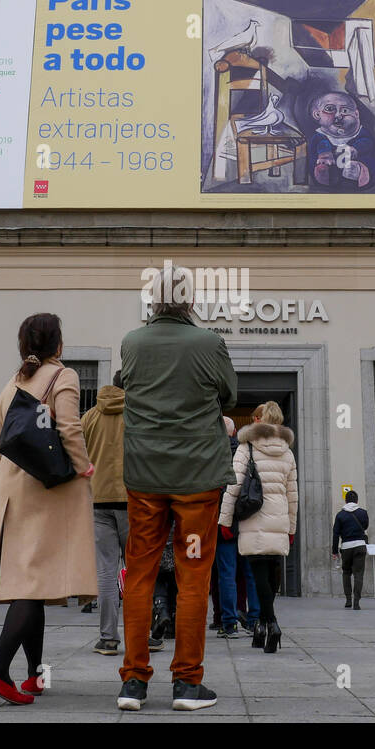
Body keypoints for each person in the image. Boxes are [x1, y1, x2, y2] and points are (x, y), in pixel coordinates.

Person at [117, 263, 237, 712]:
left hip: (145, 477)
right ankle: (187, 683)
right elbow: (228, 394)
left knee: (141, 573)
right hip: (196, 480)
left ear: (153, 300)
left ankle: (133, 681)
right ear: (190, 301)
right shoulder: (209, 343)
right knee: (192, 576)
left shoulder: (132, 342)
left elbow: (123, 384)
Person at [0, 313, 97, 705]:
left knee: (32, 579)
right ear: (58, 345)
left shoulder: (13, 382)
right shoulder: (63, 376)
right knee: (33, 582)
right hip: (46, 489)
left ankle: (33, 676)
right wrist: (84, 466)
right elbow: (68, 427)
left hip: (12, 487)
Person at [218, 401, 297, 654]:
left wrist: (225, 520)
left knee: (257, 571)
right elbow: (293, 494)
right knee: (271, 572)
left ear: (259, 421)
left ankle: (271, 623)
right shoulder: (287, 451)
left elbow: (233, 486)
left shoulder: (246, 446)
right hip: (279, 517)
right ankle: (261, 625)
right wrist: (292, 528)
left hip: (254, 517)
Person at [82, 370, 128, 655]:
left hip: (98, 500)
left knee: (106, 570)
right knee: (138, 571)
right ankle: (143, 634)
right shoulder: (137, 414)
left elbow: (74, 451)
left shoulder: (89, 416)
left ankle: (108, 638)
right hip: (133, 500)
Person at [214, 415, 260, 638]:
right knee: (251, 573)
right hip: (247, 518)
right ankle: (254, 620)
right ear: (233, 433)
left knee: (226, 573)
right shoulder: (248, 451)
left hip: (225, 521)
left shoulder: (214, 452)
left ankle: (229, 622)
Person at [331, 489, 370, 610]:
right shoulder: (363, 513)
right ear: (357, 500)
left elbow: (335, 534)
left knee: (346, 573)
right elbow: (365, 526)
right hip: (360, 545)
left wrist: (334, 551)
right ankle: (356, 602)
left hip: (346, 547)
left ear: (345, 500)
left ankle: (348, 600)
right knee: (359, 574)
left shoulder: (340, 515)